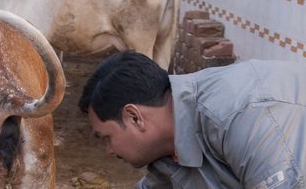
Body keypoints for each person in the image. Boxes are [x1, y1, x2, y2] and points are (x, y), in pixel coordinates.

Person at [79, 51, 306, 188]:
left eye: (106, 137)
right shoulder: (168, 150)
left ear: (134, 117)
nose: (109, 150)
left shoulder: (241, 115)